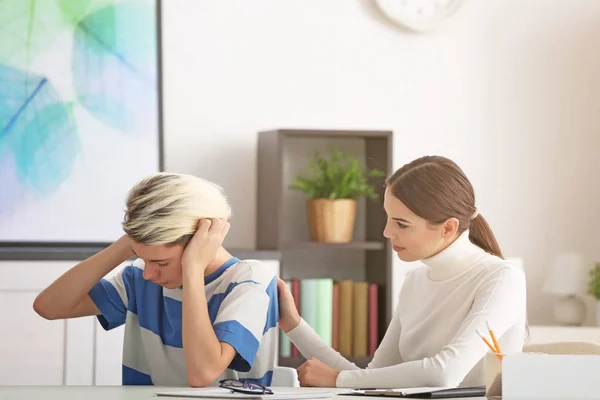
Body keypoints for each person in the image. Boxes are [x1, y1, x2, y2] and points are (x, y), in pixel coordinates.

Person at [277, 155, 527, 389]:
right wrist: (293, 324)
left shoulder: (502, 279)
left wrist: (337, 379)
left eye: (401, 224)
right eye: (389, 218)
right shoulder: (415, 281)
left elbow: (445, 374)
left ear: (448, 228)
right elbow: (371, 377)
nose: (387, 232)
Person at [34, 172, 278, 387]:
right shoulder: (140, 278)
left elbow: (203, 374)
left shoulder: (249, 282)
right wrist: (128, 243)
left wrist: (193, 269)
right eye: (142, 258)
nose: (149, 274)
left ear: (201, 243)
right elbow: (49, 307)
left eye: (162, 263)